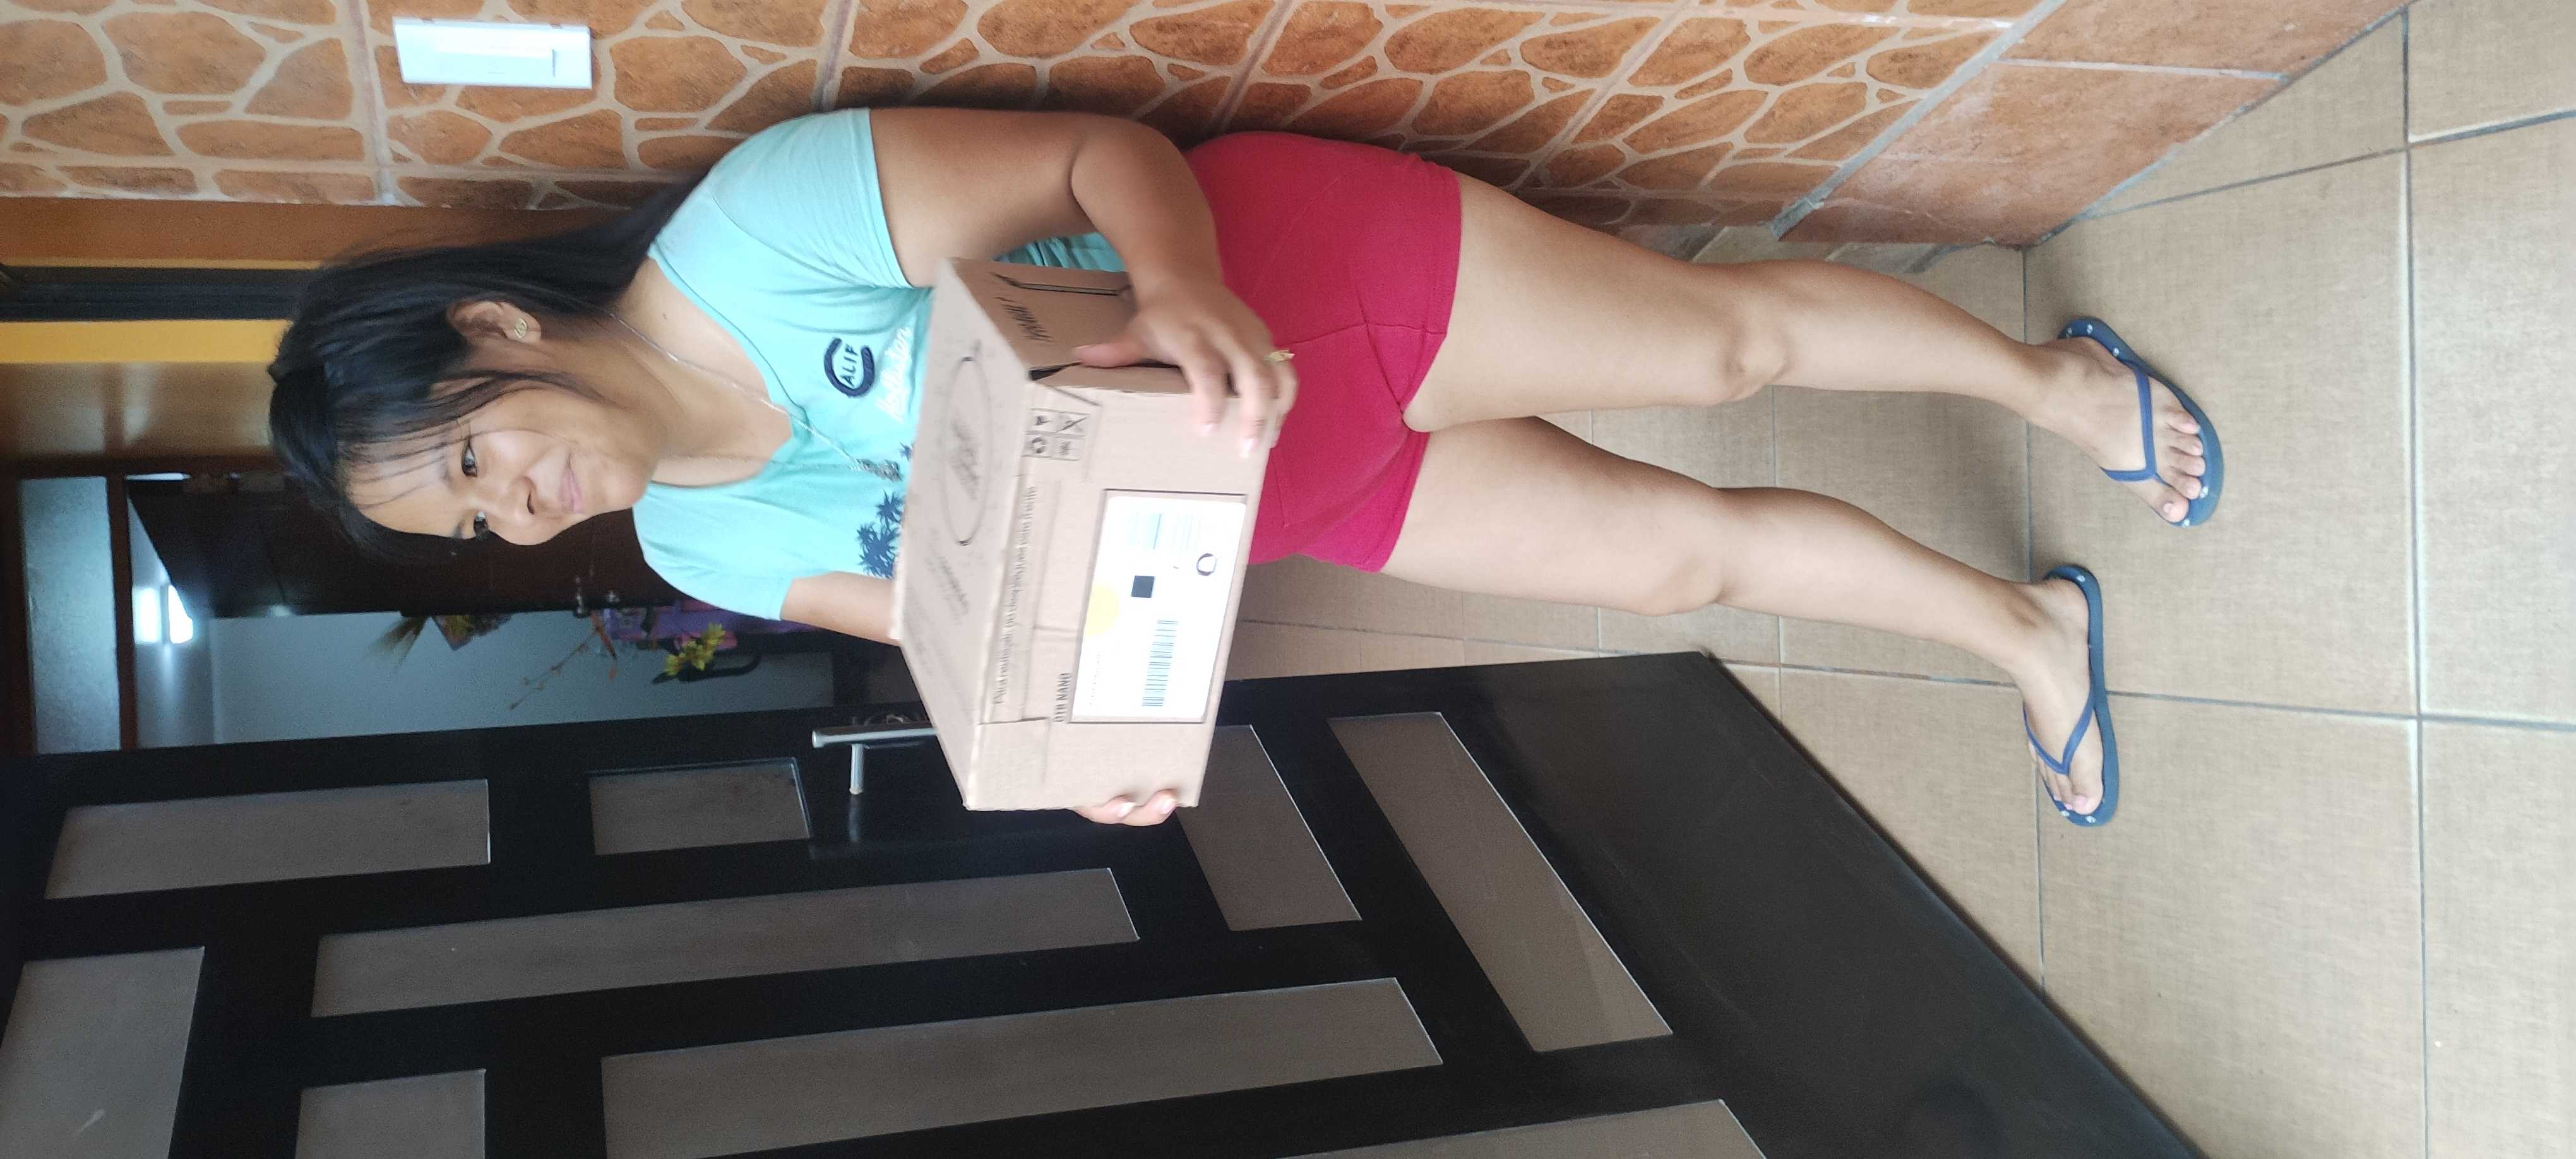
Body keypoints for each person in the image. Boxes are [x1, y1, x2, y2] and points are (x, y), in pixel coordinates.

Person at [269, 108, 2217, 830]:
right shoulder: (699, 545)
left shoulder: (757, 233)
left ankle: (2049, 382)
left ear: (498, 328)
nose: (520, 506)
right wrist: (1062, 755)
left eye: (477, 452)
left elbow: (1091, 160)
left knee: (1722, 353)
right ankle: (2023, 629)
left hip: (1287, 288)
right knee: (1673, 562)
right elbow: (952, 623)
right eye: (474, 518)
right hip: (1261, 492)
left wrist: (1185, 285)